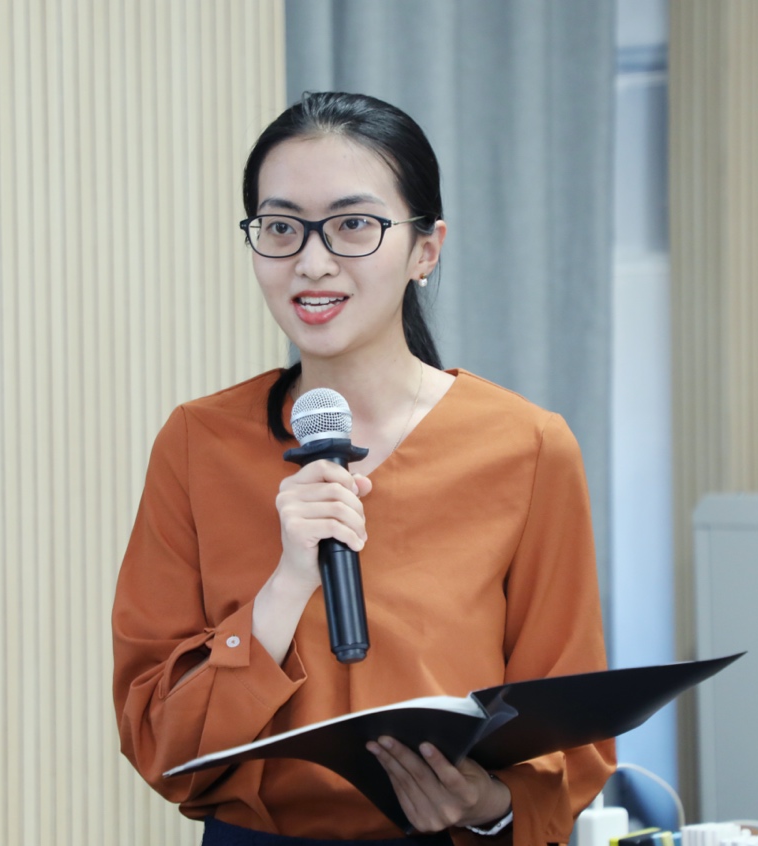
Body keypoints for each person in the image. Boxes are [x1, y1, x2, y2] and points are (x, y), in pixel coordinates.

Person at [113, 91, 614, 845]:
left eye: (353, 225)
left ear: (426, 249)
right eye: (281, 227)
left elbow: (571, 737)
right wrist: (286, 586)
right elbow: (159, 738)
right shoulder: (197, 443)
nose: (312, 262)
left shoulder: (529, 447)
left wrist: (485, 803)